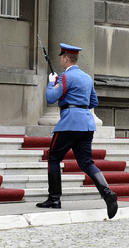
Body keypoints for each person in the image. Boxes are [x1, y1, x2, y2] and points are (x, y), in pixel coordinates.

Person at [36, 42, 118, 219]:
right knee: (86, 162)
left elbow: (51, 98)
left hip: (69, 123)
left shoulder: (65, 77)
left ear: (66, 58)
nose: (61, 60)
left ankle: (54, 199)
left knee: (53, 157)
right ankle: (107, 193)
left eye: (62, 58)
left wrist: (52, 83)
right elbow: (93, 102)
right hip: (86, 124)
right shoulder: (87, 78)